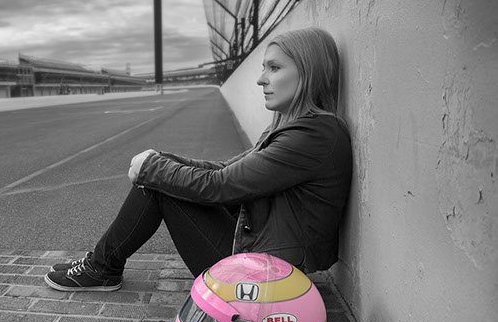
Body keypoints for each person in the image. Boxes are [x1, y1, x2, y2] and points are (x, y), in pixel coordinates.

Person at [45, 27, 353, 292]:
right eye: (264, 68)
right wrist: (162, 160)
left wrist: (153, 169)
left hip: (264, 277)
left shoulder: (313, 135)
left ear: (308, 72)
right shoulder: (294, 128)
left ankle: (101, 267)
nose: (261, 79)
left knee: (158, 185)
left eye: (274, 68)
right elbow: (227, 169)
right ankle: (101, 264)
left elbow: (222, 185)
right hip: (264, 258)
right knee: (160, 175)